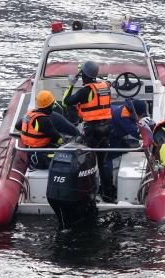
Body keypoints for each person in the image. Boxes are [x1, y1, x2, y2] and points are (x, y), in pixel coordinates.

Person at [62, 60, 115, 201]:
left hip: (92, 130)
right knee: (103, 162)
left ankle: (88, 193)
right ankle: (108, 193)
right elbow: (107, 83)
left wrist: (71, 84)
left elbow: (66, 102)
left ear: (84, 76)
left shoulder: (85, 91)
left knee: (87, 162)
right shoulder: (105, 86)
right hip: (107, 129)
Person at [16, 90, 69, 169]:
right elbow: (58, 138)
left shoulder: (29, 114)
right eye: (52, 104)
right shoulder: (44, 120)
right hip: (40, 157)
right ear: (50, 106)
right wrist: (66, 140)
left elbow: (18, 126)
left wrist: (30, 137)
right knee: (68, 155)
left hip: (31, 151)